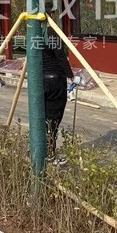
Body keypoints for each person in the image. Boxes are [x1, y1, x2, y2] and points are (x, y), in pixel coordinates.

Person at [41, 20, 73, 161]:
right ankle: (49, 153)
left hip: (40, 82)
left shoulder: (33, 33)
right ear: (51, 15)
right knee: (53, 119)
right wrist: (70, 75)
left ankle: (41, 150)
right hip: (55, 81)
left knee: (42, 117)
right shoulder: (52, 34)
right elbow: (60, 56)